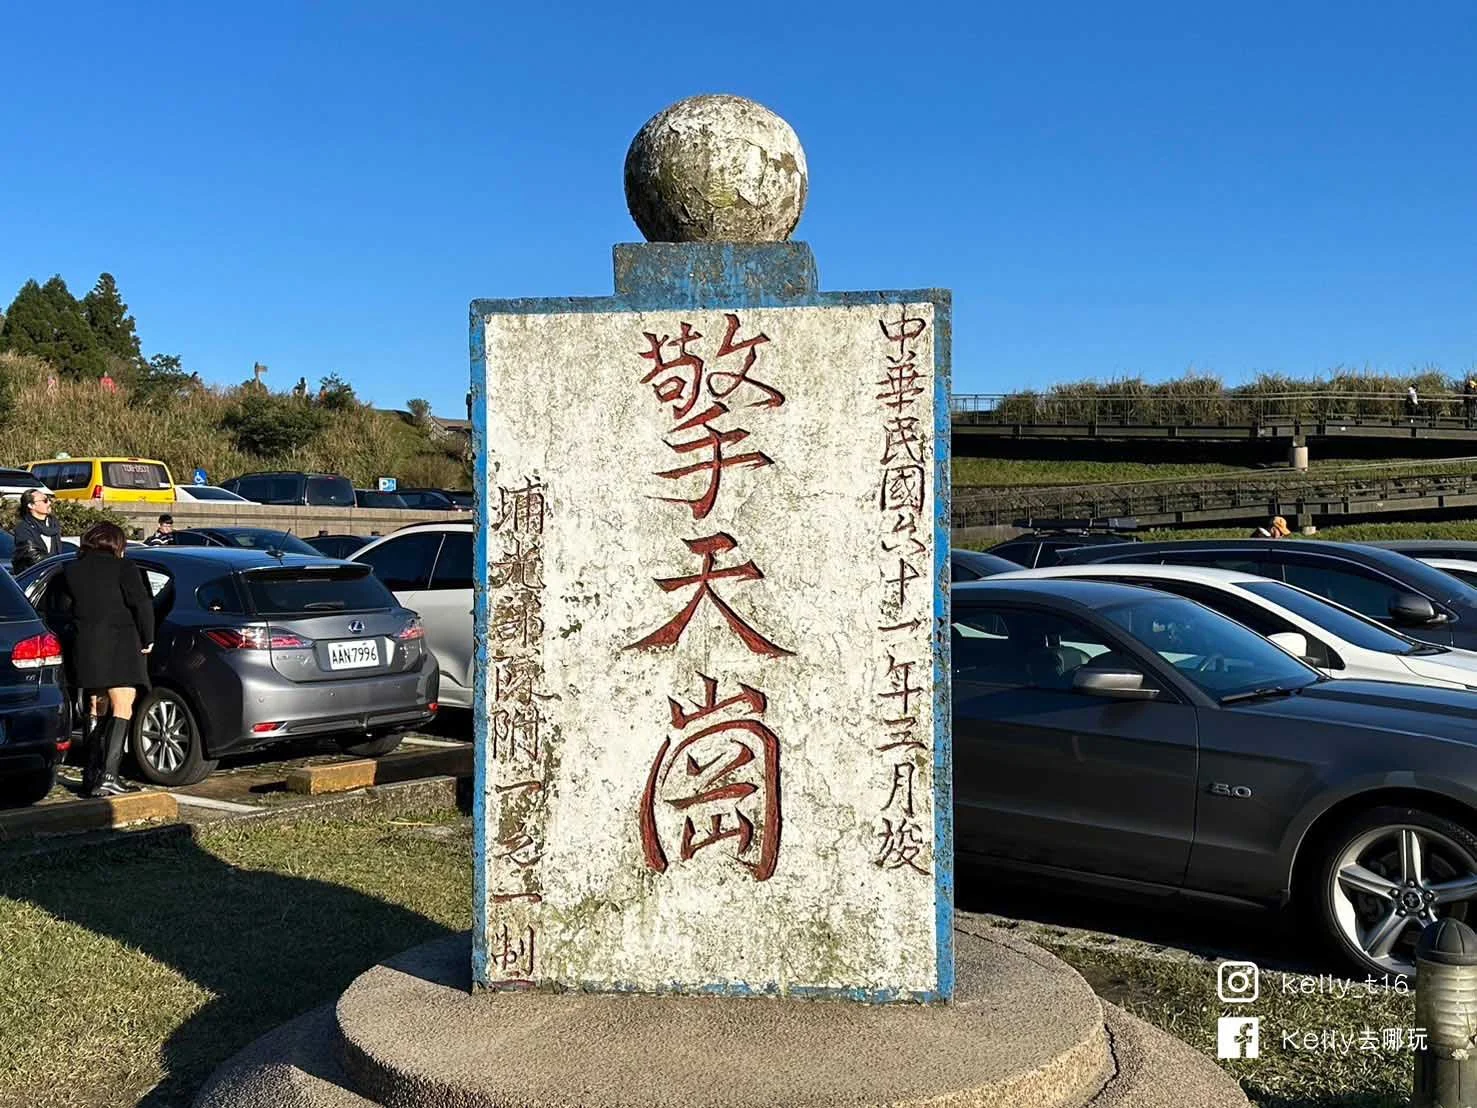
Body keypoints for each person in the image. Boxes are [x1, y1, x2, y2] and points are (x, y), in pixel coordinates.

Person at [51, 523, 154, 797]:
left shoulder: (71, 570)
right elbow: (141, 603)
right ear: (116, 544)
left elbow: (61, 609)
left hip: (87, 646)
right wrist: (148, 638)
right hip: (121, 644)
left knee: (95, 704)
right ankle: (109, 775)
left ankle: (91, 773)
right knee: (123, 705)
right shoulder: (125, 568)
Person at [11, 489, 60, 573]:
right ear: (31, 505)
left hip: (54, 575)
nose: (49, 503)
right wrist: (56, 563)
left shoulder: (53, 524)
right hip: (34, 578)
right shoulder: (23, 528)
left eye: (49, 499)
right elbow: (33, 556)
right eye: (45, 501)